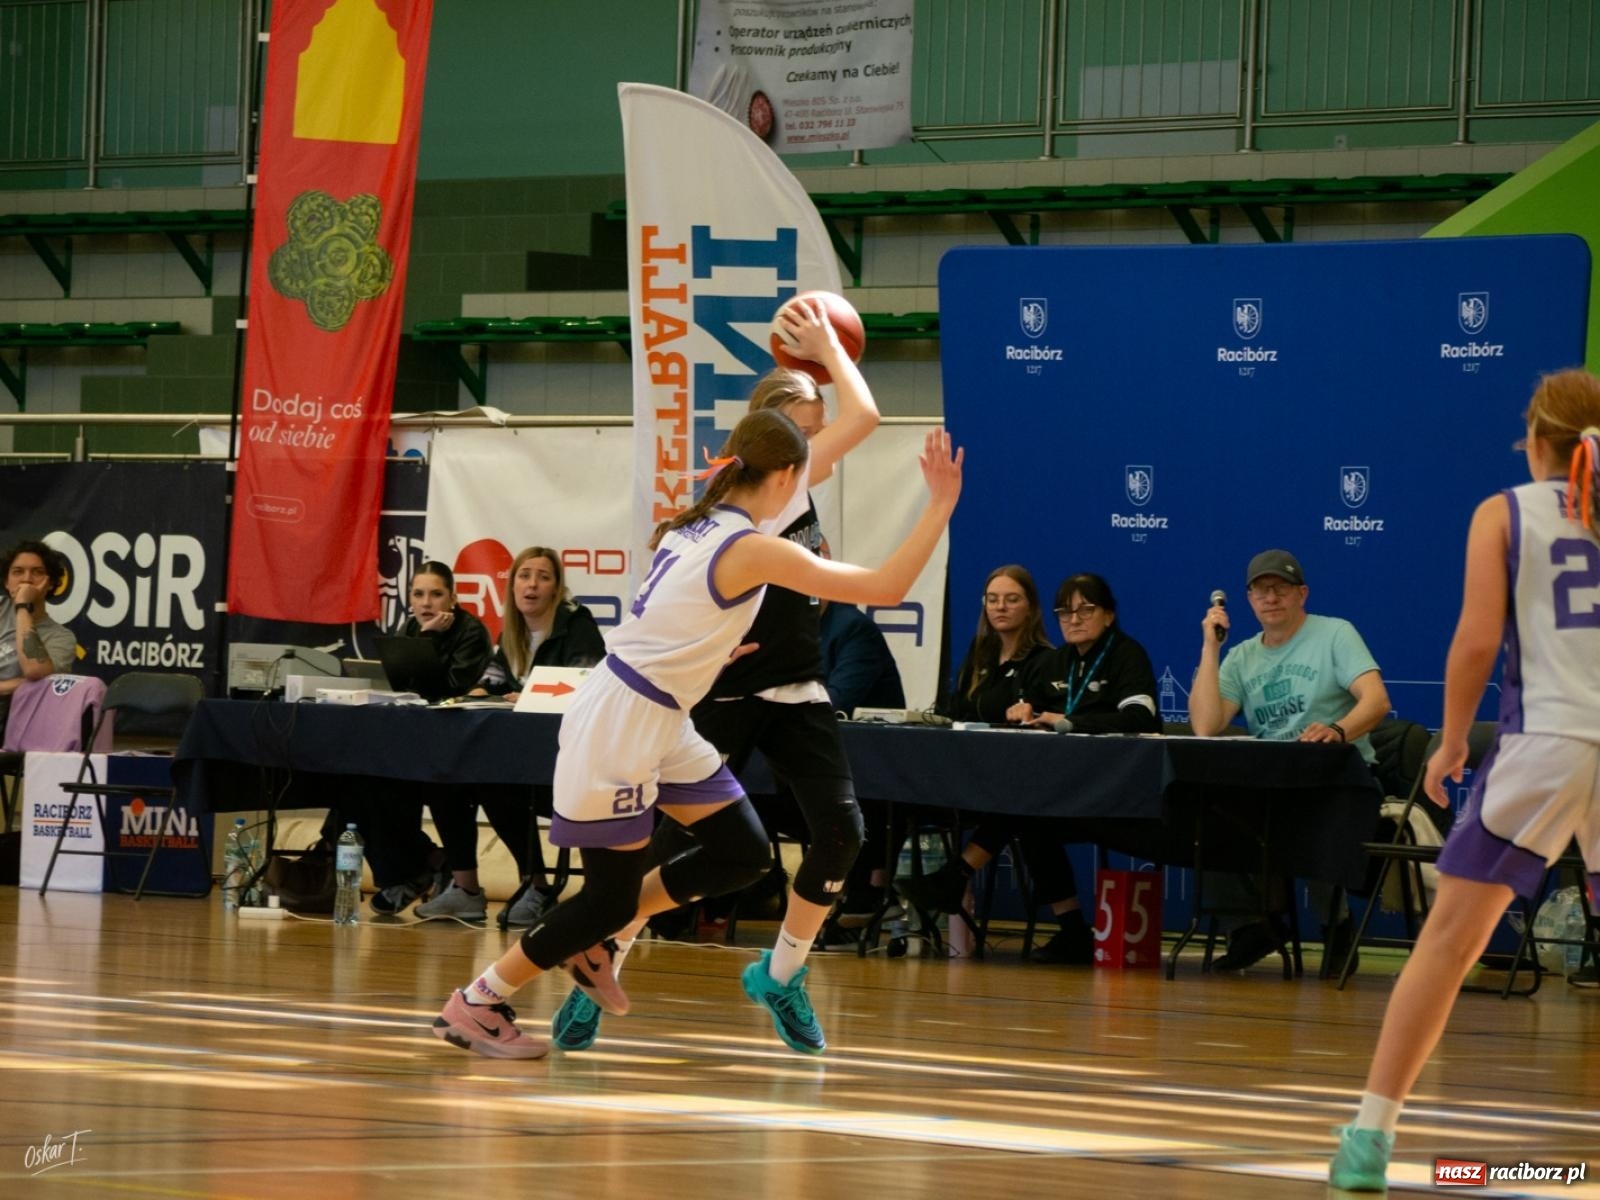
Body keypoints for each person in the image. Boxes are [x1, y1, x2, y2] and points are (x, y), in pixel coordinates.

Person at [429, 409, 962, 1061]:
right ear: (786, 477)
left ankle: (603, 940)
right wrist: (939, 506)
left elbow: (682, 616)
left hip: (664, 716)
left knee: (742, 851)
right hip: (623, 724)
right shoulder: (749, 546)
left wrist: (709, 653)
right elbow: (888, 586)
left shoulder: (701, 522)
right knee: (604, 897)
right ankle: (479, 1000)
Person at [553, 296, 886, 1054]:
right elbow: (864, 417)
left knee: (841, 833)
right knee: (673, 853)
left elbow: (853, 415)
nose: (819, 435)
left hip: (796, 685)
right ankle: (606, 954)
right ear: (775, 438)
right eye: (807, 424)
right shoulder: (770, 492)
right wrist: (831, 348)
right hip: (721, 691)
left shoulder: (789, 484)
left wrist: (825, 363)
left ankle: (783, 972)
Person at [1328, 370, 1600, 1190]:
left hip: (1547, 738)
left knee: (1448, 945)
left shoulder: (1506, 510)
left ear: (1537, 439)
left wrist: (1450, 745)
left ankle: (1369, 1141)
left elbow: (1477, 640)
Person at [902, 573, 1159, 963]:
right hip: (1060, 788)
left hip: (1114, 790)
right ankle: (1071, 930)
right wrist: (1021, 712)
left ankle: (957, 876)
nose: (1074, 619)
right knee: (1029, 807)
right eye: (1065, 612)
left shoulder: (1127, 655)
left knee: (1029, 803)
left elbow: (1140, 719)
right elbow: (1032, 710)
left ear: (1108, 615)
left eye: (1085, 610)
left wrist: (1069, 721)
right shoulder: (1057, 662)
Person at [1189, 548, 1391, 971]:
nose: (1271, 597)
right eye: (1261, 590)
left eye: (1280, 588)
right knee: (1209, 806)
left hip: (1339, 774)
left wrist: (1336, 731)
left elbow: (1376, 701)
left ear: (1302, 594)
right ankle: (1251, 927)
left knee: (1312, 813)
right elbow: (1206, 726)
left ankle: (1335, 927)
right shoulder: (1242, 656)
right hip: (1274, 778)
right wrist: (1211, 647)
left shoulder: (1335, 634)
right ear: (1248, 600)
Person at [419, 547, 605, 924]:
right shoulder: (512, 632)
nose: (532, 584)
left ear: (556, 588)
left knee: (497, 785)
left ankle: (537, 887)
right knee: (446, 779)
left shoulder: (576, 624)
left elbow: (590, 685)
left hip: (569, 762)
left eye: (543, 576)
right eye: (524, 576)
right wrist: (469, 696)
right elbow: (491, 682)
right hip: (521, 756)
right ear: (512, 585)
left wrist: (534, 694)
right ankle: (466, 889)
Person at [337, 562, 494, 915]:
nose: (427, 603)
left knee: (429, 789)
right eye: (418, 594)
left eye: (436, 594)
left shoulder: (471, 632)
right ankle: (419, 866)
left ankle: (419, 870)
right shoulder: (410, 627)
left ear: (453, 598)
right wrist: (420, 637)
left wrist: (427, 639)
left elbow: (448, 689)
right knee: (363, 786)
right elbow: (396, 685)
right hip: (411, 741)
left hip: (455, 747)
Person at [942, 564, 1054, 723]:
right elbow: (954, 710)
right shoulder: (980, 650)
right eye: (992, 600)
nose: (1001, 607)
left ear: (1030, 607)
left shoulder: (1043, 660)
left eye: (1012, 600)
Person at [1, 540, 76, 727]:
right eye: (18, 572)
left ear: (50, 584)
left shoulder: (61, 638)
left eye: (37, 572)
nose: (26, 579)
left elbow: (36, 674)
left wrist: (23, 607)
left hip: (14, 722)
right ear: (6, 581)